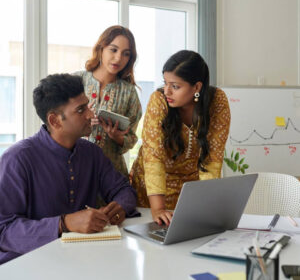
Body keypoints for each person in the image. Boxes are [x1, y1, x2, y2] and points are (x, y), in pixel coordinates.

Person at [0, 74, 138, 264]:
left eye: (87, 106)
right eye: (81, 110)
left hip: (83, 260)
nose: (91, 115)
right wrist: (63, 223)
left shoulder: (91, 153)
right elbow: (4, 230)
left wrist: (120, 206)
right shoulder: (17, 159)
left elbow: (123, 189)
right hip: (30, 265)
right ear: (55, 120)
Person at [130, 50, 231, 226]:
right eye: (165, 83)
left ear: (197, 87)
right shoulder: (159, 100)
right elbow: (153, 158)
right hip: (152, 193)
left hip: (189, 191)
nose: (167, 91)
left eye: (175, 86)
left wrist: (205, 206)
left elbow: (212, 160)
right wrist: (158, 209)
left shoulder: (217, 102)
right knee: (154, 238)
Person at [75, 25, 142, 177]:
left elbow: (131, 138)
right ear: (101, 48)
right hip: (76, 171)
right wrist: (81, 121)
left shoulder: (129, 92)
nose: (118, 58)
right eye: (113, 50)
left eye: (126, 54)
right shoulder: (77, 81)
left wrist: (117, 136)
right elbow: (56, 124)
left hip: (112, 175)